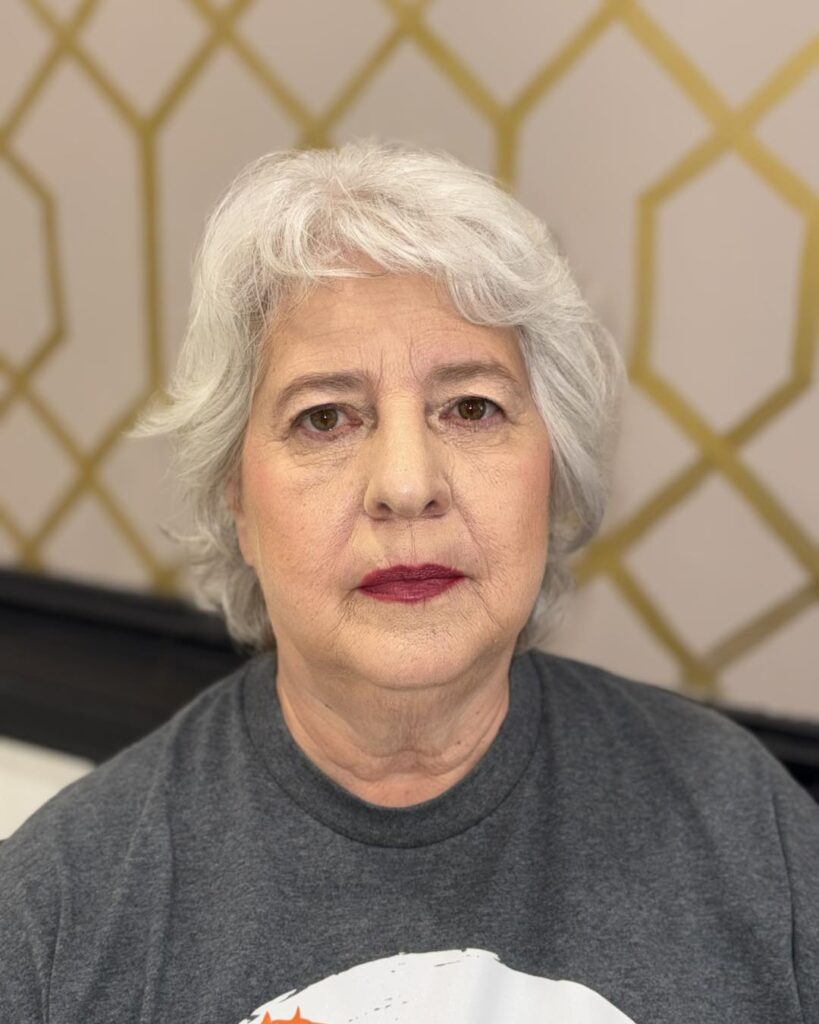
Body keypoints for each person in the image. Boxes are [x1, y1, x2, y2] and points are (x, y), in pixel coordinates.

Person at [1, 139, 817, 1024]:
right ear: (237, 498)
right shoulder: (54, 916)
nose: (405, 484)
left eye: (471, 407)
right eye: (324, 418)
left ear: (554, 471)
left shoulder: (745, 824)